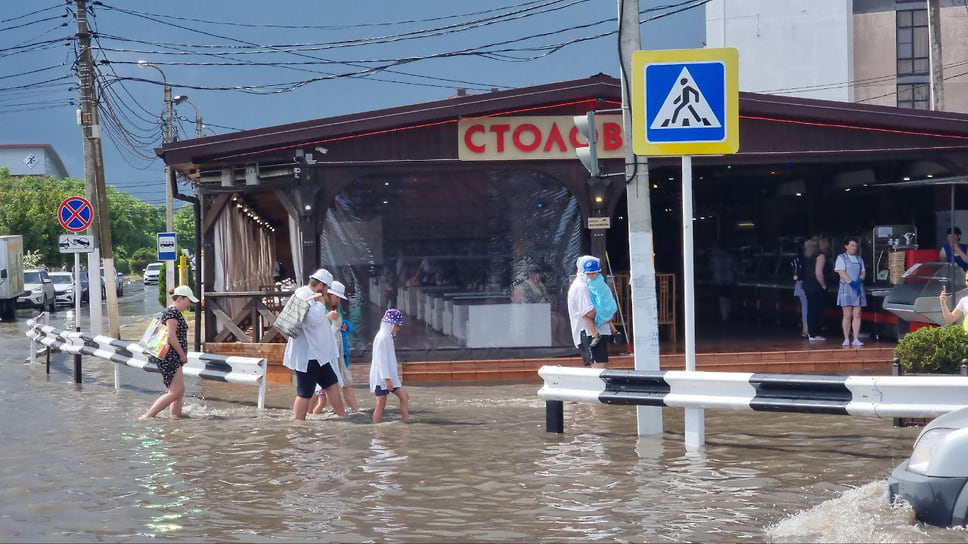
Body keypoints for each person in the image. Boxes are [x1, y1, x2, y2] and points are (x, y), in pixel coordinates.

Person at [282, 268, 345, 420]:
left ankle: (343, 416)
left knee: (331, 383)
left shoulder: (305, 293)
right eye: (327, 287)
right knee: (305, 392)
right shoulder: (306, 296)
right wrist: (320, 304)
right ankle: (298, 424)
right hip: (309, 354)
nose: (327, 291)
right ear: (321, 285)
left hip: (318, 353)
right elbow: (311, 320)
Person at [140, 285, 198, 420]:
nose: (189, 305)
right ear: (181, 298)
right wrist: (182, 355)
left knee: (179, 391)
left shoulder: (174, 313)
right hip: (170, 357)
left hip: (173, 357)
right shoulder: (172, 313)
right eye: (189, 301)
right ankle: (148, 416)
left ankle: (175, 416)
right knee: (175, 391)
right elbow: (171, 337)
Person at [567, 255, 610, 368]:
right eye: (591, 273)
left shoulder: (588, 285)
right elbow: (588, 312)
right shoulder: (582, 287)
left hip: (595, 331)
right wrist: (606, 310)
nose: (595, 275)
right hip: (588, 333)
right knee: (597, 367)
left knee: (598, 366)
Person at [369, 308, 410, 423]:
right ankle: (377, 428)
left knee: (404, 397)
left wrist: (390, 378)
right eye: (397, 325)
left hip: (390, 376)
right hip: (381, 377)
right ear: (391, 324)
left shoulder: (388, 337)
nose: (398, 328)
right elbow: (381, 361)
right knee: (381, 403)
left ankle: (406, 421)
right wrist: (386, 379)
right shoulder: (383, 338)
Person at [325, 280, 359, 413]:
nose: (338, 300)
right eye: (336, 296)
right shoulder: (321, 309)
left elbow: (341, 326)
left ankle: (354, 410)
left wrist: (345, 326)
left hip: (339, 351)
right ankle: (309, 414)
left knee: (346, 383)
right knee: (321, 394)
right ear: (328, 294)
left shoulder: (336, 309)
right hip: (327, 354)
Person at [835, 237, 867, 347]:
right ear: (846, 246)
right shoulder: (841, 258)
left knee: (857, 313)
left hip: (858, 288)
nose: (854, 248)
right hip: (847, 288)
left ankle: (856, 338)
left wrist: (859, 281)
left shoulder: (859, 259)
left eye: (855, 246)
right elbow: (841, 272)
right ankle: (846, 338)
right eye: (852, 245)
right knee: (847, 314)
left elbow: (863, 272)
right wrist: (851, 283)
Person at [801, 238, 828, 341]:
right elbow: (818, 273)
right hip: (816, 286)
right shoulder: (820, 256)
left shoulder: (808, 255)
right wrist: (823, 285)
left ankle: (811, 332)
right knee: (816, 310)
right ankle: (814, 333)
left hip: (807, 284)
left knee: (810, 309)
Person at [709, 246, 737, 322]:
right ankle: (726, 317)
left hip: (719, 280)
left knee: (722, 299)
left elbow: (711, 267)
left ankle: (724, 317)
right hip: (729, 279)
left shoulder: (715, 257)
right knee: (727, 299)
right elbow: (734, 268)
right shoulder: (731, 257)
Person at [792, 242, 809, 338]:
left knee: (805, 307)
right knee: (807, 307)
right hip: (806, 283)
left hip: (801, 283)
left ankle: (805, 329)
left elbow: (795, 276)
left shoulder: (796, 260)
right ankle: (807, 329)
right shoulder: (808, 259)